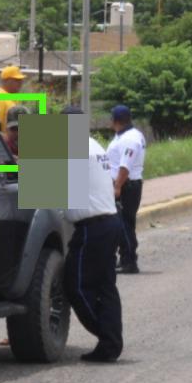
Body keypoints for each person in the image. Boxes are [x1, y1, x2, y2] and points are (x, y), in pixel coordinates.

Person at [60, 105, 124, 363]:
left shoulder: (75, 149)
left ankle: (109, 338)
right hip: (109, 222)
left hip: (92, 229)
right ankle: (110, 344)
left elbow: (41, 183)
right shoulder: (95, 147)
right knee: (106, 286)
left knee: (75, 285)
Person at [107, 104, 146, 274]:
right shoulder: (124, 135)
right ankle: (125, 258)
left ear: (115, 120)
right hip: (125, 184)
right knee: (121, 224)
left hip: (126, 186)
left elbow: (125, 166)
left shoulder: (130, 138)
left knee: (124, 225)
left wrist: (117, 187)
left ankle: (130, 261)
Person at [0, 64, 27, 134]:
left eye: (21, 80)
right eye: (16, 80)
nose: (20, 83)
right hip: (5, 144)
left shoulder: (14, 98)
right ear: (6, 81)